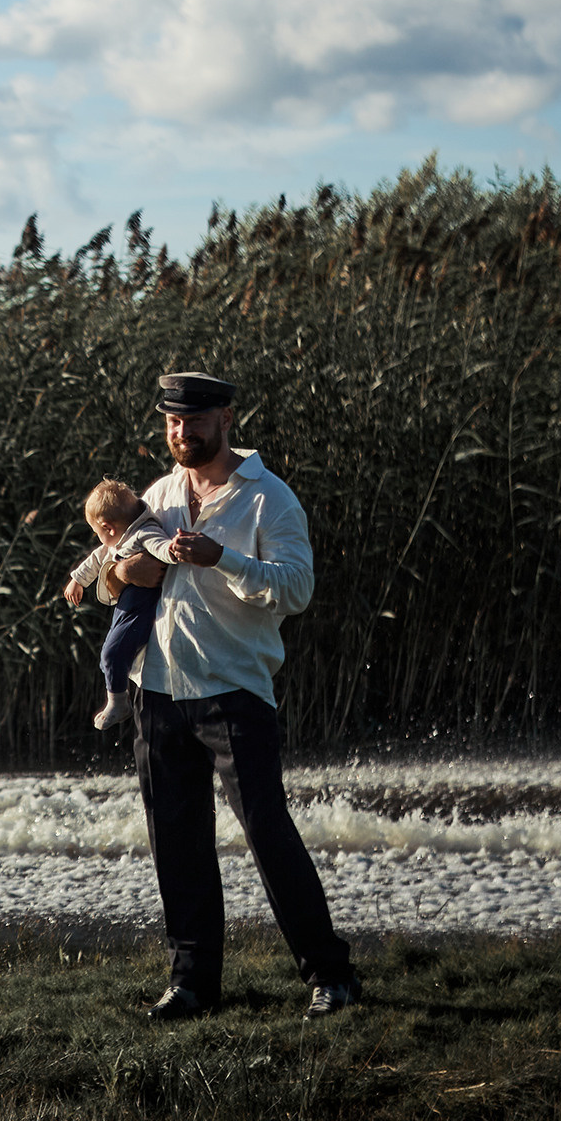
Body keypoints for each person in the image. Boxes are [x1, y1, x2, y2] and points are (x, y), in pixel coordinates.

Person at [105, 370, 360, 1022]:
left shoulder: (268, 500)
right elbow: (117, 579)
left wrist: (223, 558)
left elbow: (296, 590)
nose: (180, 433)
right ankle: (192, 985)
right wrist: (121, 573)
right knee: (177, 841)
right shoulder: (159, 493)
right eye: (170, 423)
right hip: (156, 693)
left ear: (225, 419)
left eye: (192, 421)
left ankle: (331, 975)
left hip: (235, 696)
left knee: (269, 835)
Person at [61, 479, 180, 729]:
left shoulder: (144, 531)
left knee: (112, 653)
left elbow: (160, 546)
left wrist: (173, 550)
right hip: (126, 607)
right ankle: (118, 697)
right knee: (112, 651)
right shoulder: (120, 539)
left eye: (97, 533)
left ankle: (118, 701)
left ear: (108, 527)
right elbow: (96, 559)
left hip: (140, 607)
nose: (99, 539)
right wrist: (76, 580)